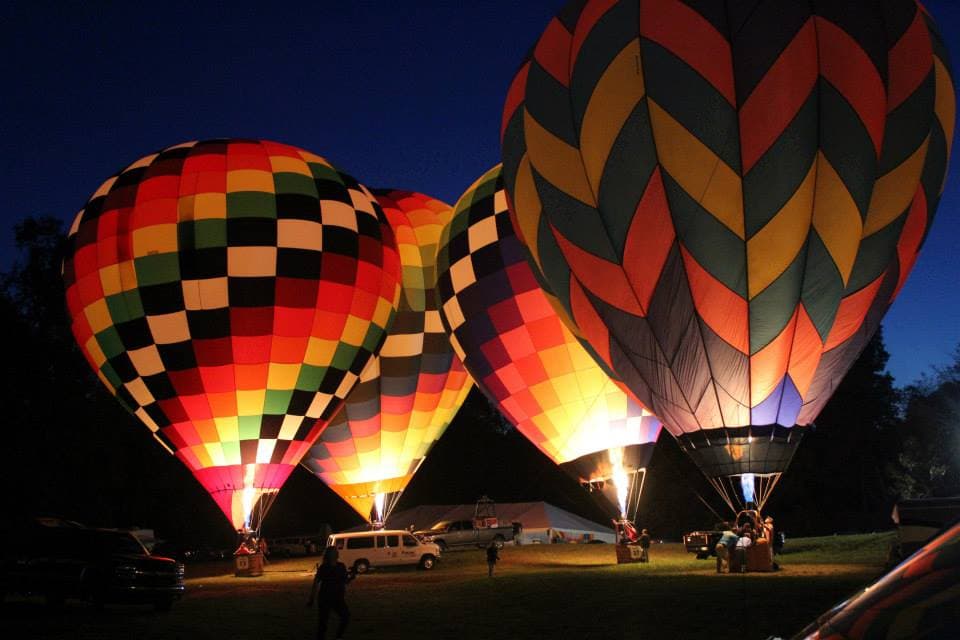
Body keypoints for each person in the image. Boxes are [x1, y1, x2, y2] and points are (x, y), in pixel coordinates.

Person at [307, 547, 354, 640]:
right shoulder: (324, 568)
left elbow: (345, 581)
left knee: (345, 616)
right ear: (329, 555)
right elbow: (316, 583)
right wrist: (312, 598)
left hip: (337, 597)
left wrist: (352, 577)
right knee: (323, 623)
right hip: (325, 597)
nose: (337, 553)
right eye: (334, 552)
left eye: (336, 552)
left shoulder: (341, 566)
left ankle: (338, 637)